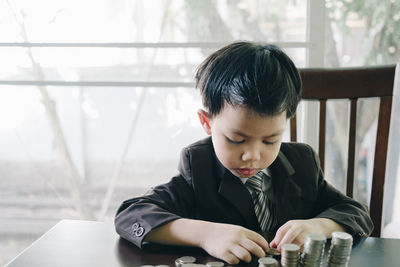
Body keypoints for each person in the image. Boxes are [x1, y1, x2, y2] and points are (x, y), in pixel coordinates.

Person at [114, 41, 373, 265]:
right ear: (207, 123)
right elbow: (131, 215)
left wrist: (319, 226)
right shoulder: (200, 167)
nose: (253, 155)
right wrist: (206, 234)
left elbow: (355, 212)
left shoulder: (301, 162)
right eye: (236, 140)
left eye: (271, 140)